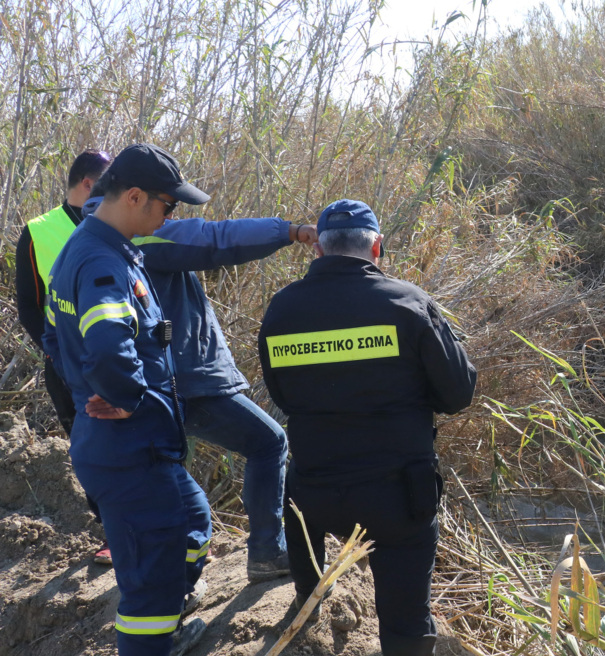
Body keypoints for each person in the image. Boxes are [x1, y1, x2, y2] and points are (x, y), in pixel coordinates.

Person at [258, 199, 477, 656]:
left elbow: (281, 394)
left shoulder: (282, 309)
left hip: (314, 492)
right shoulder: (409, 303)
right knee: (406, 622)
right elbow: (458, 394)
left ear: (318, 248)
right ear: (377, 246)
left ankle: (308, 601)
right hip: (397, 497)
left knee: (296, 500)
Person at [81, 188, 317, 581]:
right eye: (165, 207)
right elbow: (216, 239)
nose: (168, 217)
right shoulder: (144, 240)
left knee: (171, 479)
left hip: (151, 388)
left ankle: (168, 570)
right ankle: (265, 551)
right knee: (269, 442)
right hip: (191, 383)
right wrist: (290, 231)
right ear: (130, 203)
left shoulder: (88, 252)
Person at [42, 144, 213, 655]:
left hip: (136, 445)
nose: (169, 214)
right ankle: (156, 632)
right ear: (134, 196)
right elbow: (111, 350)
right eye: (167, 204)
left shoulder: (95, 247)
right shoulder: (100, 261)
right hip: (128, 447)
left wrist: (92, 388)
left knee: (195, 521)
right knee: (148, 587)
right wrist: (127, 396)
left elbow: (53, 337)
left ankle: (171, 605)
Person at [14, 149, 114, 565]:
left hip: (119, 355)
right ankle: (112, 532)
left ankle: (167, 527)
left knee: (146, 440)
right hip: (66, 366)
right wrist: (57, 356)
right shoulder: (38, 232)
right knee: (89, 449)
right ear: (89, 184)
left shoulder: (120, 219)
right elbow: (29, 308)